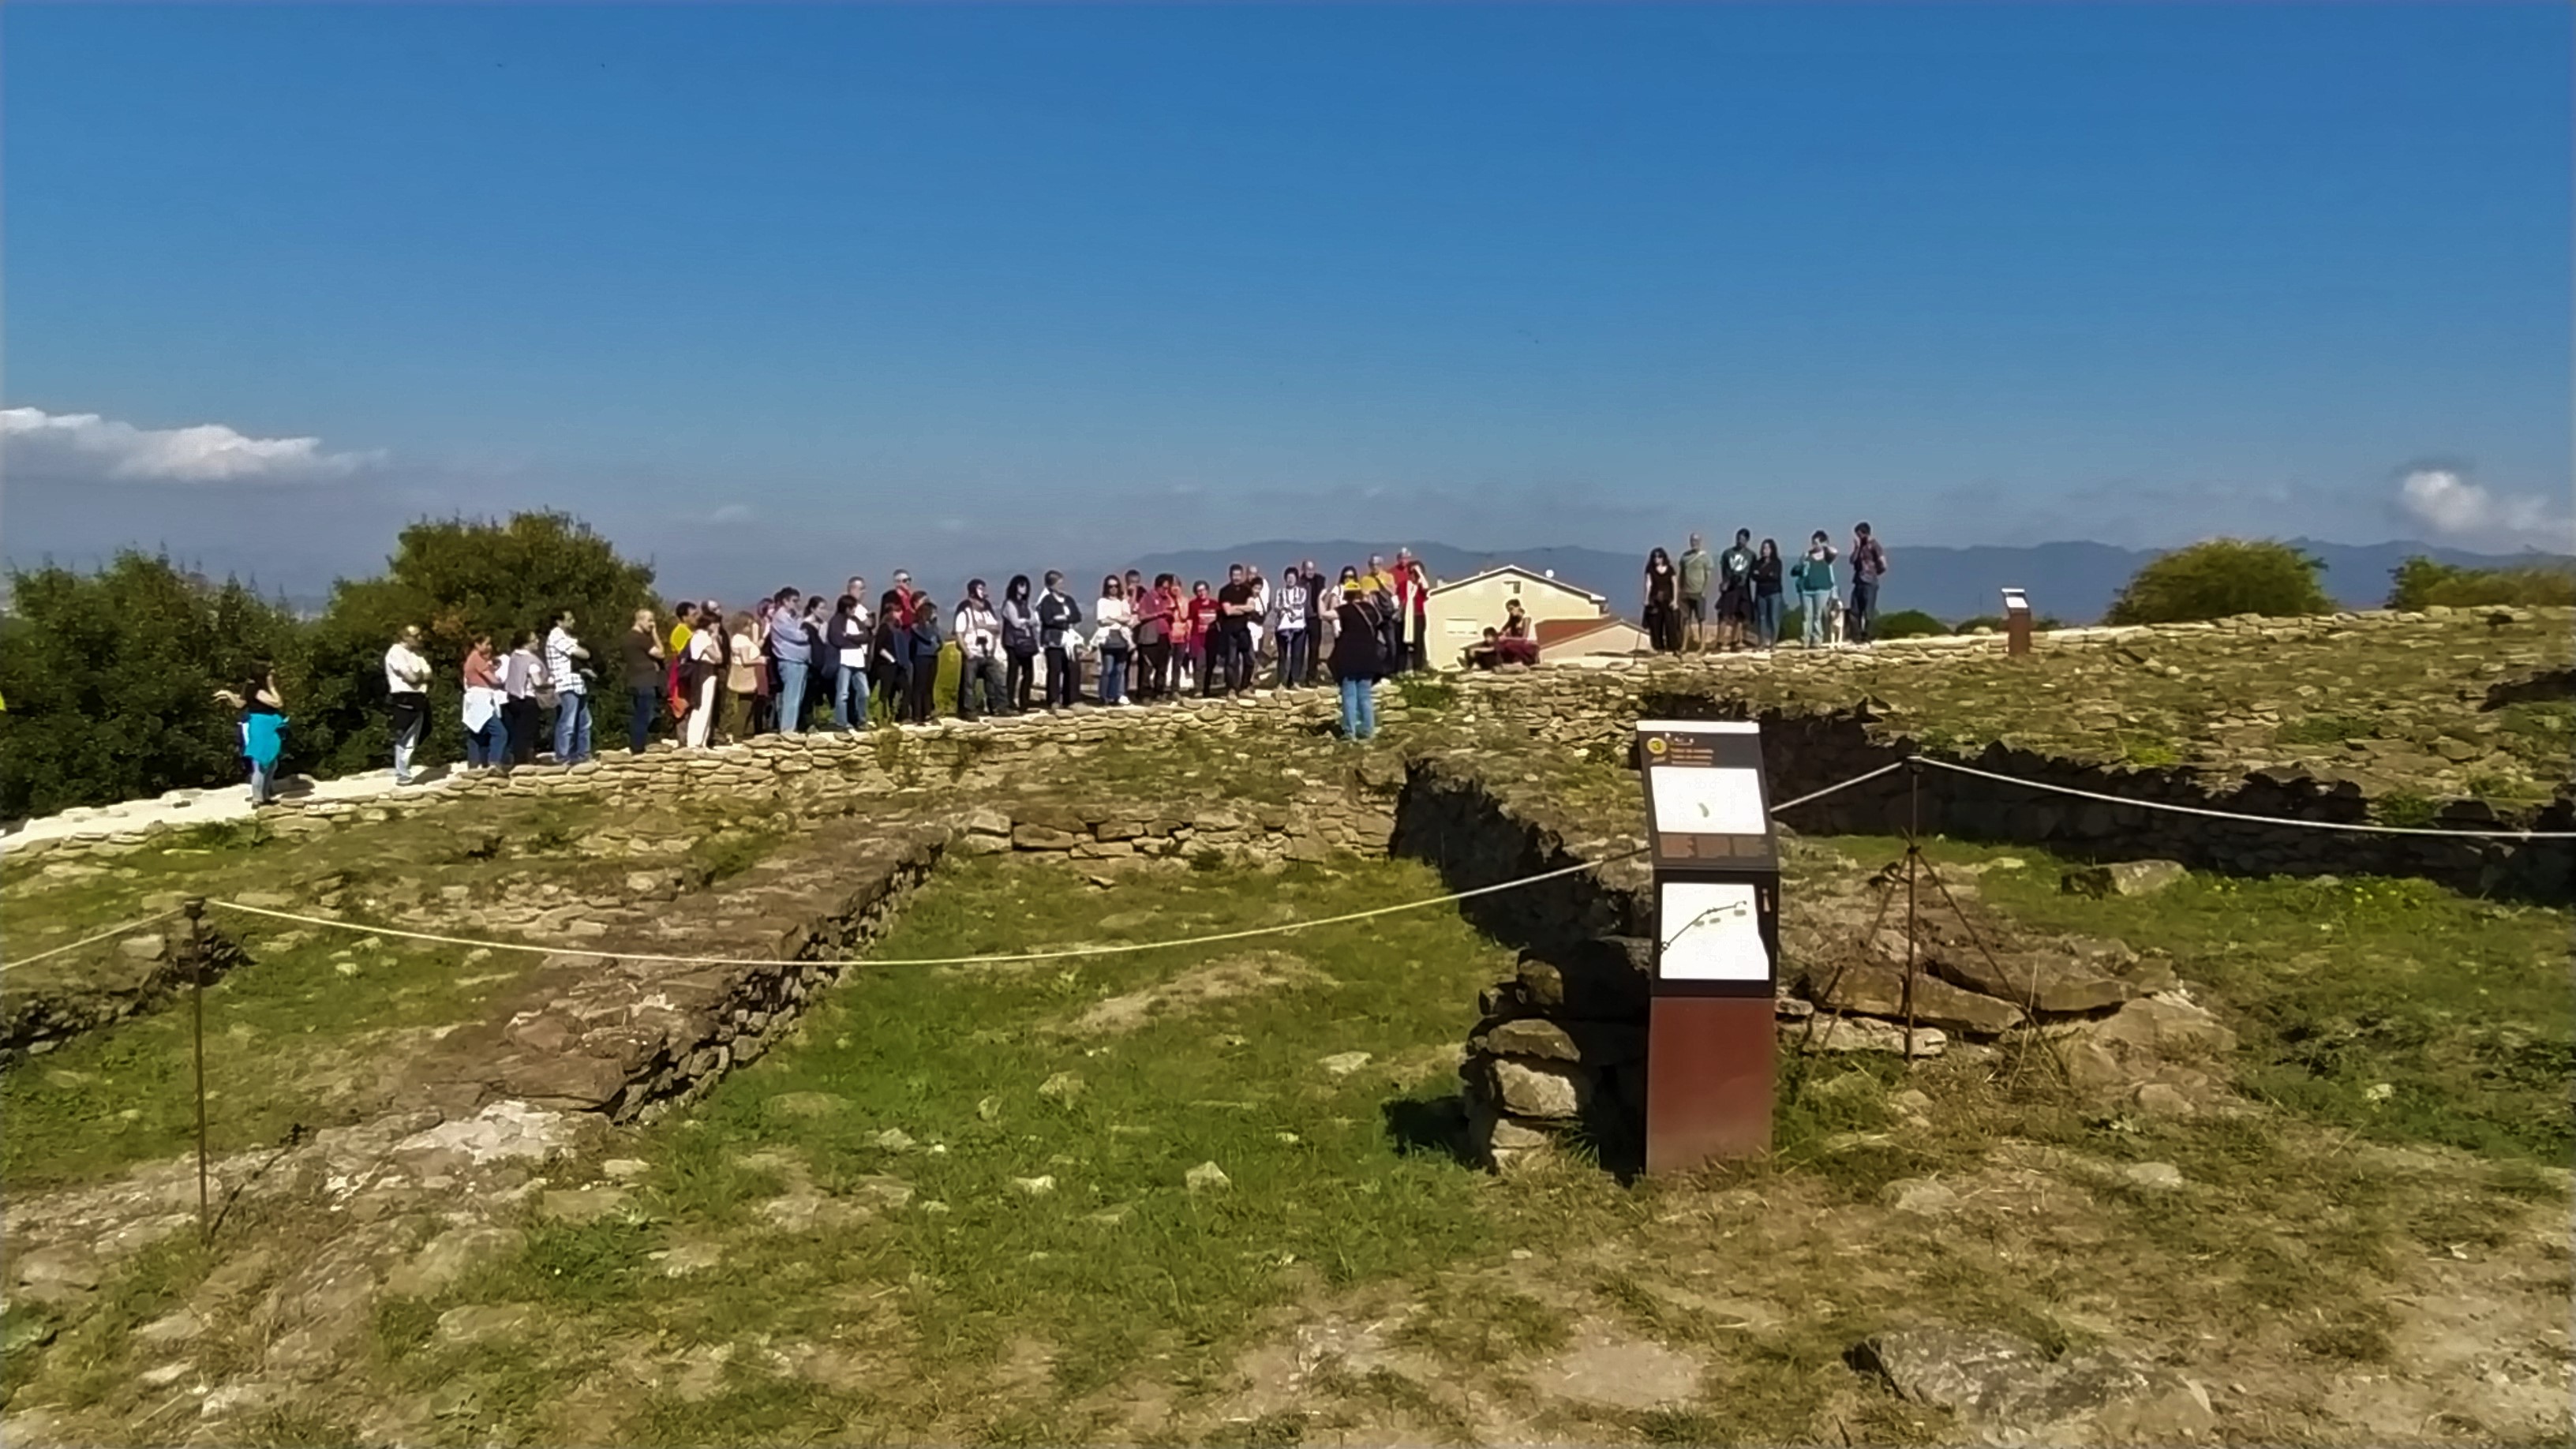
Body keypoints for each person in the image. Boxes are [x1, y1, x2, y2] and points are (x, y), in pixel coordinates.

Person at [215, 665, 287, 806]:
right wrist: (272, 687)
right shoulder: (257, 689)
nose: (273, 677)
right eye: (270, 675)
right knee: (261, 761)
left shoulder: (249, 686)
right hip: (262, 725)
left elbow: (240, 703)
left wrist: (229, 694)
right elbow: (277, 703)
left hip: (268, 724)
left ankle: (265, 796)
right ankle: (258, 799)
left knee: (272, 763)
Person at [1331, 582, 1386, 740]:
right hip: (1368, 659)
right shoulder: (1372, 612)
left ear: (1346, 596)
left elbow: (1325, 614)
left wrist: (1324, 598)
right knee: (1365, 696)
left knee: (1349, 696)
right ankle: (1368, 731)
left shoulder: (1346, 610)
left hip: (1350, 659)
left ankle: (1350, 732)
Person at [384, 623, 432, 784]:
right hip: (404, 697)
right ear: (405, 637)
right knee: (404, 735)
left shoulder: (416, 655)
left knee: (414, 736)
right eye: (416, 636)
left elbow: (428, 673)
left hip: (419, 696)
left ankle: (406, 769)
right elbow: (411, 677)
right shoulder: (396, 652)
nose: (420, 638)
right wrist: (419, 676)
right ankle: (402, 772)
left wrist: (420, 676)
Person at [545, 609, 593, 764]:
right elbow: (582, 653)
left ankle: (582, 753)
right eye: (570, 619)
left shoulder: (567, 637)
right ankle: (563, 755)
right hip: (566, 684)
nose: (573, 622)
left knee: (584, 721)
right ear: (559, 622)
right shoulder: (556, 636)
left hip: (577, 683)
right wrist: (586, 652)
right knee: (568, 722)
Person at [954, 581, 1007, 719]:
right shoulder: (965, 611)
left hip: (988, 653)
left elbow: (996, 629)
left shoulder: (988, 611)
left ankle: (999, 707)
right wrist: (967, 653)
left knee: (997, 680)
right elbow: (959, 633)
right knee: (969, 684)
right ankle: (969, 710)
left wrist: (984, 626)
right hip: (973, 652)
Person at [765, 587, 811, 735]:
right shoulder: (780, 617)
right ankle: (787, 729)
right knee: (791, 697)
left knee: (798, 696)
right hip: (790, 660)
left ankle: (791, 726)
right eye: (794, 601)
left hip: (800, 661)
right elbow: (799, 636)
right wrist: (806, 631)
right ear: (785, 601)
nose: (797, 604)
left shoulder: (794, 616)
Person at [462, 632, 508, 769]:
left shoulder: (473, 658)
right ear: (477, 644)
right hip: (480, 698)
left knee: (478, 734)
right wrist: (503, 682)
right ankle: (494, 761)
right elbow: (492, 680)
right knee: (499, 732)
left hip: (476, 697)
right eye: (487, 644)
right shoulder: (476, 658)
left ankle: (474, 765)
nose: (489, 647)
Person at [1037, 571, 1083, 709]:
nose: (1062, 586)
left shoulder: (1068, 600)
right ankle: (1054, 700)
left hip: (1068, 639)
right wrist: (1058, 620)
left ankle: (1072, 699)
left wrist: (1063, 618)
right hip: (1053, 640)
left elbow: (1077, 616)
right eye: (1059, 584)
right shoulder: (1047, 601)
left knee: (1073, 668)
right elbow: (1047, 619)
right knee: (1055, 670)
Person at [1212, 564, 1260, 695]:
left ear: (1242, 575)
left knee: (1250, 660)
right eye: (1234, 575)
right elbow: (1227, 611)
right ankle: (1231, 688)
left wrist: (1236, 608)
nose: (1237, 578)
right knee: (1231, 661)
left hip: (1244, 629)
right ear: (1230, 576)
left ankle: (1244, 687)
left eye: (1239, 575)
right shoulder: (1225, 591)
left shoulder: (1247, 590)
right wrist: (1243, 608)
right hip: (1229, 630)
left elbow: (1251, 607)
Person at [621, 607, 664, 754]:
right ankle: (638, 747)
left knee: (639, 713)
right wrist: (655, 634)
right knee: (644, 715)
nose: (652, 624)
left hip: (634, 679)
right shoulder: (640, 638)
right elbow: (660, 653)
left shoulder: (627, 637)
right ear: (639, 620)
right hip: (645, 681)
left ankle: (637, 744)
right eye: (649, 620)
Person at [828, 593, 873, 731]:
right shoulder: (836, 621)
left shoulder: (856, 620)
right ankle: (841, 721)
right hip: (844, 660)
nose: (854, 610)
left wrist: (850, 637)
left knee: (864, 692)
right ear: (847, 608)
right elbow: (837, 640)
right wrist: (855, 639)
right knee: (843, 693)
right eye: (852, 608)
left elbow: (866, 637)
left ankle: (862, 718)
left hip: (858, 660)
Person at [1090, 575, 1135, 706]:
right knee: (1108, 669)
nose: (1113, 589)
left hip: (1122, 637)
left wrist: (1112, 618)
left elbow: (1128, 618)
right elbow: (1102, 620)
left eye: (1116, 586)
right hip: (1108, 637)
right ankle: (1104, 696)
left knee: (1120, 670)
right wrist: (1119, 618)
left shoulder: (1123, 602)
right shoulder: (1102, 602)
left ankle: (1118, 694)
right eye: (1110, 586)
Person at [503, 629, 545, 767]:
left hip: (513, 697)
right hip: (528, 698)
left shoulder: (514, 656)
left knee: (517, 731)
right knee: (528, 732)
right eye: (534, 640)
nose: (537, 641)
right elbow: (537, 682)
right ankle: (524, 761)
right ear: (526, 644)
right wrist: (550, 681)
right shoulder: (531, 660)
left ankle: (517, 759)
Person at [1000, 575, 1041, 713]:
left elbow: (1035, 620)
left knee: (1029, 672)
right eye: (1021, 586)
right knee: (1013, 672)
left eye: (1026, 586)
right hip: (1013, 642)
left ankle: (1025, 701)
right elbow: (1016, 622)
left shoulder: (1026, 604)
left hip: (1026, 642)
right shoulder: (1009, 604)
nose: (1024, 589)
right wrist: (1026, 621)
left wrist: (1026, 621)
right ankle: (1009, 701)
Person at [1134, 573, 1178, 699]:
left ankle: (1159, 691)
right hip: (1150, 637)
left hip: (1164, 636)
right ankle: (1145, 694)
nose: (1166, 591)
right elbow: (1141, 616)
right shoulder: (1147, 597)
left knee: (1162, 667)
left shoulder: (1168, 599)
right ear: (1157, 587)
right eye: (1164, 588)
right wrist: (1159, 614)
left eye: (1168, 588)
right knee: (1147, 667)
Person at [683, 614, 724, 748]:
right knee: (702, 706)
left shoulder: (697, 636)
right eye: (715, 623)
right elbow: (718, 657)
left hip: (703, 672)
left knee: (703, 706)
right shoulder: (703, 637)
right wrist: (714, 639)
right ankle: (697, 741)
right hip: (704, 671)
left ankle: (700, 740)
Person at [1391, 549, 1434, 673]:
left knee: (1419, 643)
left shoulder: (1420, 586)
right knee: (1402, 644)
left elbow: (1426, 588)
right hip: (1406, 616)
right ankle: (1401, 669)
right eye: (1411, 572)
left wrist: (1420, 573)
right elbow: (1398, 598)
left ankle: (1418, 668)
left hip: (1418, 616)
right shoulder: (1404, 585)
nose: (1412, 574)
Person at [1792, 532, 1838, 648]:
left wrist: (1825, 546)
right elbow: (1797, 570)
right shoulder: (1807, 556)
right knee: (1806, 615)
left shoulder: (1827, 556)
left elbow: (1835, 552)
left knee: (1818, 615)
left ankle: (1817, 639)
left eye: (1816, 542)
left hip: (1822, 589)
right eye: (1813, 542)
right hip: (1807, 589)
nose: (1813, 545)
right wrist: (1802, 561)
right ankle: (1805, 640)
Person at [1271, 562, 1312, 688]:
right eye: (1288, 577)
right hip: (1282, 626)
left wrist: (1286, 607)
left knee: (1297, 654)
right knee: (1283, 656)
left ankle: (1294, 680)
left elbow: (1300, 603)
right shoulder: (1280, 592)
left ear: (1296, 578)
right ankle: (1281, 682)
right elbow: (1276, 607)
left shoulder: (1302, 591)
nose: (1290, 580)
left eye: (1293, 577)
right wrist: (1286, 608)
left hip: (1299, 625)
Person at [871, 590, 910, 723]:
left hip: (899, 665)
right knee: (885, 692)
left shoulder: (898, 628)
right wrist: (891, 659)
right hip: (887, 666)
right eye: (898, 611)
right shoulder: (884, 628)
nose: (901, 614)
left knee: (906, 688)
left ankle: (901, 714)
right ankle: (881, 716)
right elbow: (879, 647)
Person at [905, 593, 945, 723]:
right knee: (919, 686)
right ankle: (917, 714)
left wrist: (939, 643)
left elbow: (939, 638)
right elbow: (926, 637)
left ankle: (928, 712)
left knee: (929, 686)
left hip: (933, 656)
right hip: (921, 656)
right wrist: (928, 624)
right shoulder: (916, 626)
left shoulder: (933, 625)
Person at [724, 610, 762, 741]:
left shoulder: (737, 638)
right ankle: (739, 734)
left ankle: (743, 731)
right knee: (745, 706)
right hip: (746, 673)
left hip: (741, 671)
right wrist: (761, 661)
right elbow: (746, 659)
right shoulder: (742, 640)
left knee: (747, 704)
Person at [1849, 522, 1890, 644]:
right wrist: (1856, 548)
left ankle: (1867, 636)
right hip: (1858, 581)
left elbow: (1883, 563)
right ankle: (1856, 636)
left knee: (1868, 611)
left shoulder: (1874, 546)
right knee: (1854, 611)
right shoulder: (1860, 547)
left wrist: (1875, 573)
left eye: (1859, 535)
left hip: (1870, 581)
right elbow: (1852, 560)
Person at [1715, 530, 1755, 651]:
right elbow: (1723, 568)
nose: (1739, 541)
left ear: (1747, 540)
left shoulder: (1751, 555)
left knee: (1740, 615)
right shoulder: (1728, 553)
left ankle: (1735, 641)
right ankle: (1720, 641)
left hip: (1743, 586)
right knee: (1724, 614)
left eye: (1742, 539)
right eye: (1738, 538)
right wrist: (1724, 582)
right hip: (1730, 586)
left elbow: (1752, 571)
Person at [802, 593, 837, 732]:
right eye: (821, 608)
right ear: (813, 609)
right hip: (811, 664)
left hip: (824, 664)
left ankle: (828, 719)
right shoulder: (805, 625)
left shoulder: (824, 625)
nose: (824, 612)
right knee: (809, 694)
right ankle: (808, 722)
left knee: (827, 692)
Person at [1677, 534, 1714, 652]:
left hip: (1699, 592)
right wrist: (1680, 589)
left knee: (1701, 619)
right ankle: (1684, 645)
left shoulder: (1705, 558)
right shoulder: (1684, 557)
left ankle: (1702, 645)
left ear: (1701, 541)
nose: (1694, 542)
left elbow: (1708, 575)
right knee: (1686, 619)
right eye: (1693, 540)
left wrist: (1704, 590)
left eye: (1697, 540)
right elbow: (1681, 574)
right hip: (1686, 592)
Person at [1182, 580, 1219, 695]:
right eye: (1198, 591)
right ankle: (1198, 689)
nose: (1201, 593)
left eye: (1203, 590)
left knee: (1210, 664)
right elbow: (1190, 620)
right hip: (1198, 638)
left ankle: (1207, 689)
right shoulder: (1193, 604)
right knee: (1199, 664)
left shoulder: (1215, 604)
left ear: (1208, 590)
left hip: (1212, 638)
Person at [1642, 549, 1679, 653]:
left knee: (1670, 624)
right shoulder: (1650, 569)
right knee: (1656, 625)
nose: (1657, 559)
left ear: (1664, 558)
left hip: (1668, 600)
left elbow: (1674, 584)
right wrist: (1646, 599)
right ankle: (1659, 647)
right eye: (1655, 557)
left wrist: (1675, 600)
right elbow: (1648, 584)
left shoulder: (1670, 569)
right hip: (1655, 601)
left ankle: (1674, 647)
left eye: (1659, 557)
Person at [1751, 538, 1786, 649]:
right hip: (1761, 593)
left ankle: (1773, 643)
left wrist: (1761, 575)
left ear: (1772, 550)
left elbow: (1775, 576)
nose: (1764, 550)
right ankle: (1761, 642)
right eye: (1763, 548)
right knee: (1762, 618)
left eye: (1767, 548)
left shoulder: (1777, 563)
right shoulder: (1757, 563)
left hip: (1774, 593)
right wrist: (1766, 575)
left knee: (1774, 618)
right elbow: (1754, 576)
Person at [1496, 597, 1540, 665]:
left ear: (1518, 607)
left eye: (1512, 609)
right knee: (1501, 646)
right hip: (1522, 645)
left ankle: (1527, 660)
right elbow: (1503, 630)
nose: (1510, 612)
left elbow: (1524, 638)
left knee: (1509, 645)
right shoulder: (1514, 620)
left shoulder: (1526, 619)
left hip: (1530, 645)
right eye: (1509, 611)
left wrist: (1506, 638)